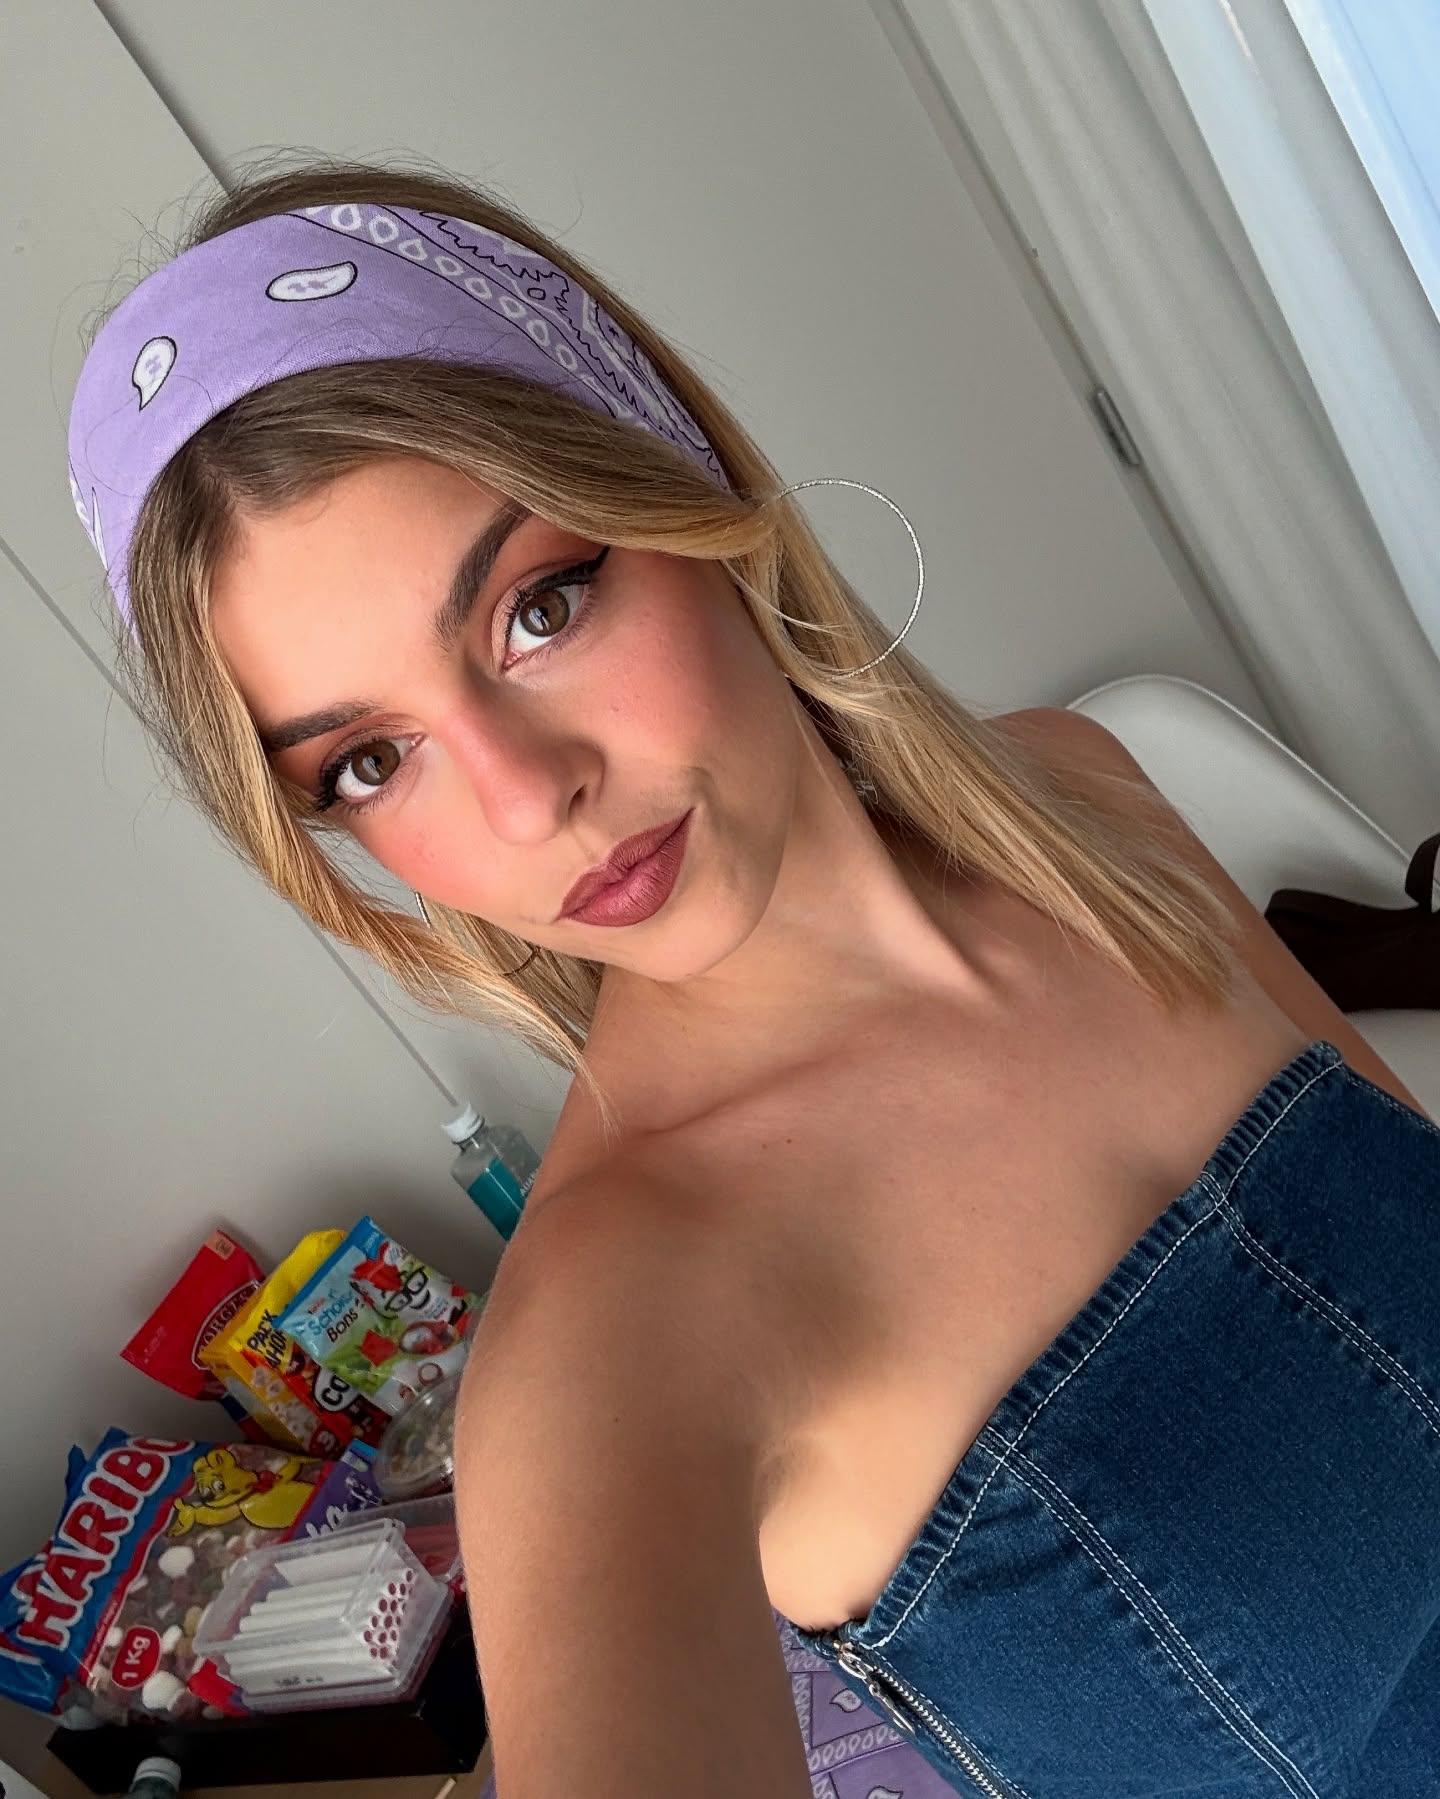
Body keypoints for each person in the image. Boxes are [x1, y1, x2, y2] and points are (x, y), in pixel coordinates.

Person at [68, 155, 1440, 1798]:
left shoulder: (1083, 798)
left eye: (540, 608)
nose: (529, 798)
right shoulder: (613, 1342)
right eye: (370, 762)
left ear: (688, 488)